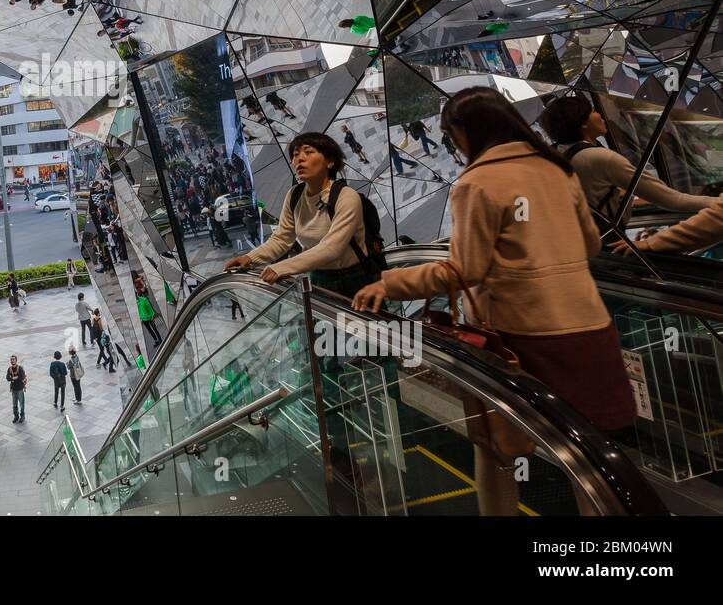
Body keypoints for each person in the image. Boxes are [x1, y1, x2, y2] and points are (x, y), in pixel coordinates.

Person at [353, 87, 636, 516]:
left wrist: (388, 284)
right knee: (587, 459)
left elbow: (462, 270)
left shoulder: (477, 183)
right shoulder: (557, 170)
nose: (453, 144)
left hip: (519, 338)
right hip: (588, 326)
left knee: (496, 449)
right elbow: (590, 243)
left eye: (452, 135)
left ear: (468, 131)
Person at [225, 132, 373, 298]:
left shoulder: (346, 196)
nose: (299, 159)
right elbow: (282, 238)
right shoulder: (294, 195)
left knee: (362, 324)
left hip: (354, 279)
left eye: (308, 152)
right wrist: (250, 258)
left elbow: (332, 248)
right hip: (318, 277)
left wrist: (281, 267)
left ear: (330, 162)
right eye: (295, 154)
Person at [538, 93, 715, 225]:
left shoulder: (556, 154)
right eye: (592, 111)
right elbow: (673, 200)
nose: (599, 114)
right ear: (583, 123)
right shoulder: (600, 158)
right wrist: (718, 203)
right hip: (608, 242)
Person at [136, 279, 163, 346]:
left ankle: (160, 340)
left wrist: (152, 316)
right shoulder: (137, 302)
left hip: (149, 317)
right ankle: (156, 340)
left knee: (154, 329)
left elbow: (150, 309)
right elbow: (139, 311)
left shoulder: (144, 300)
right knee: (150, 331)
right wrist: (141, 318)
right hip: (144, 319)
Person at [6, 355, 27, 423]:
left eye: (13, 359)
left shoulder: (20, 368)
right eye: (11, 359)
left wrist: (13, 378)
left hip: (20, 389)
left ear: (16, 360)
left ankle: (22, 416)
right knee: (14, 404)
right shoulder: (9, 369)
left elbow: (22, 376)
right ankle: (16, 416)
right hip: (13, 389)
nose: (12, 361)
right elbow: (7, 378)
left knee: (21, 404)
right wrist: (13, 378)